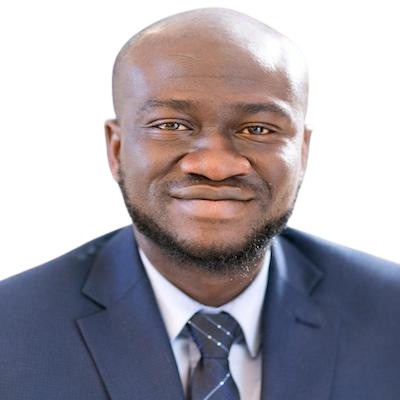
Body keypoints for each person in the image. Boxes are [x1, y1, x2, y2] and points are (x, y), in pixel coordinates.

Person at [1, 7, 399, 400]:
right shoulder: (10, 327)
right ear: (116, 149)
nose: (215, 166)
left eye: (258, 129)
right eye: (171, 125)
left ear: (302, 152)